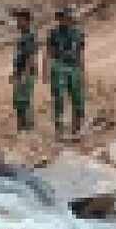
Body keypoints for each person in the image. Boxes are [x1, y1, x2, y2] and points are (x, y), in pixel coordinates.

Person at [44, 7, 85, 138]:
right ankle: (59, 129)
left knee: (77, 98)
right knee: (59, 97)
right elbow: (48, 52)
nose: (64, 20)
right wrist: (46, 70)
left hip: (74, 67)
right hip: (59, 66)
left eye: (66, 17)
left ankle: (77, 127)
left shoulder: (77, 33)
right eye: (61, 17)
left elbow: (80, 53)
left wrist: (82, 71)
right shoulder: (54, 33)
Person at [10, 9, 38, 133]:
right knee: (19, 101)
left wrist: (24, 75)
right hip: (20, 73)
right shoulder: (23, 37)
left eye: (20, 20)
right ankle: (21, 128)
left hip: (25, 73)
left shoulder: (29, 37)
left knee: (24, 101)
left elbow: (30, 57)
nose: (17, 22)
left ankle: (27, 129)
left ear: (26, 21)